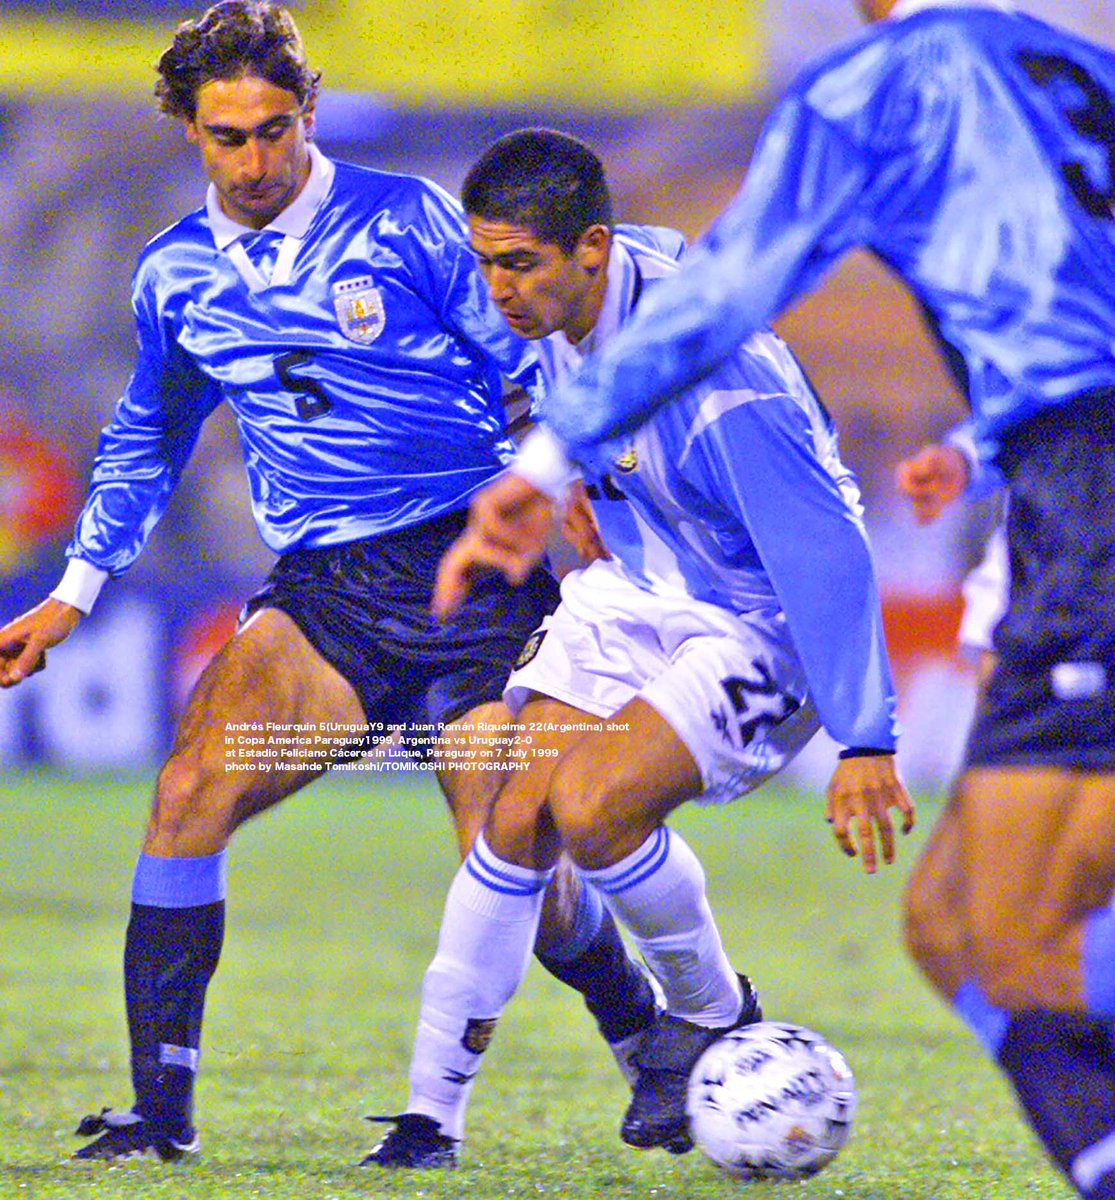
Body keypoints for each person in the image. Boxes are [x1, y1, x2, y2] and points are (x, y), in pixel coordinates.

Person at [438, 5, 1115, 1196]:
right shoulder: (1071, 68)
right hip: (1059, 491)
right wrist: (973, 436)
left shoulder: (879, 82)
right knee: (948, 929)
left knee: (1010, 938)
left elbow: (722, 294)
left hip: (1088, 499)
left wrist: (547, 461)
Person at [0, 2, 657, 1163]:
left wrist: (578, 489)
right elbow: (147, 436)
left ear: (307, 115)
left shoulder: (403, 222)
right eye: (225, 137)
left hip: (473, 571)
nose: (253, 161)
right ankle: (160, 1116)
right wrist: (76, 592)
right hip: (328, 596)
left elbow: (531, 356)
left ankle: (647, 1039)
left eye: (271, 131)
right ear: (188, 134)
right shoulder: (176, 274)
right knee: (189, 790)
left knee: (508, 860)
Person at [363, 127, 913, 1169]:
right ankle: (428, 1119)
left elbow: (827, 555)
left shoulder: (726, 378)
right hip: (637, 586)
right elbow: (566, 395)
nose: (497, 289)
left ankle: (709, 1015)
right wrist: (580, 486)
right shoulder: (563, 302)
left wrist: (864, 736)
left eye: (517, 264)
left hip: (762, 619)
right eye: (485, 260)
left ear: (591, 248)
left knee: (595, 805)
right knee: (507, 812)